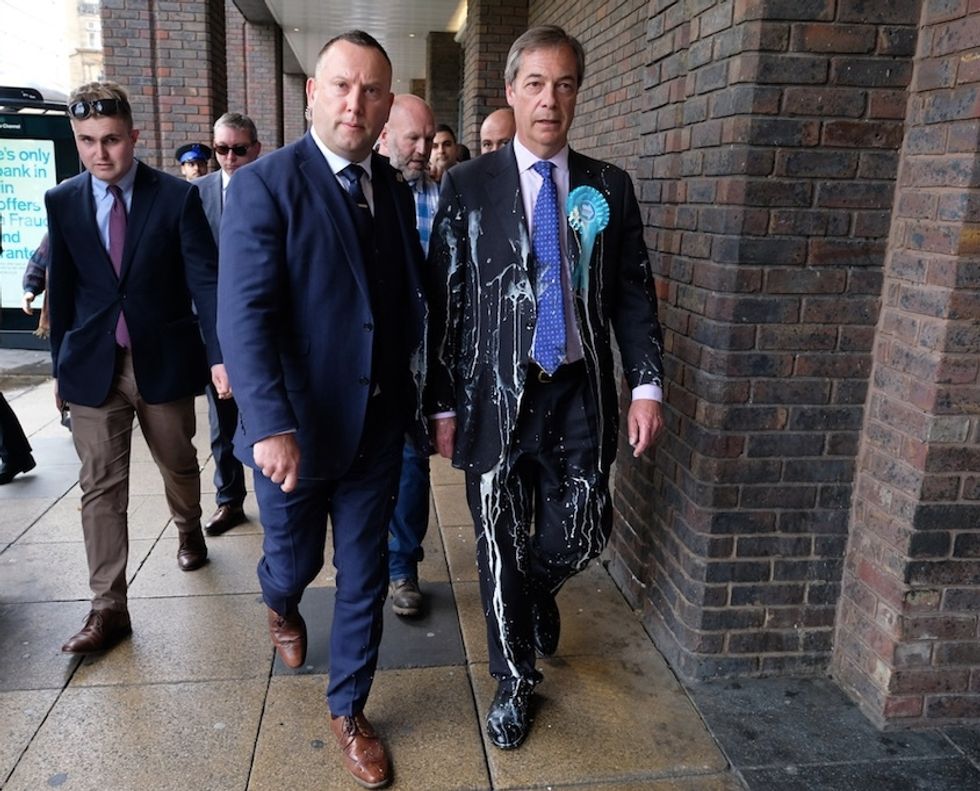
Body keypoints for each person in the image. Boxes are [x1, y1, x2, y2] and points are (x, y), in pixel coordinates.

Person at [426, 25, 665, 750]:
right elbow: (445, 301)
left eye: (564, 85)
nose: (549, 100)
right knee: (497, 539)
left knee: (586, 528)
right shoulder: (468, 185)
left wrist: (646, 383)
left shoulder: (608, 186)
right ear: (511, 91)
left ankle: (530, 590)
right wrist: (440, 399)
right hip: (493, 396)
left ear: (578, 93)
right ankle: (513, 681)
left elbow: (632, 293)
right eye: (535, 84)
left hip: (577, 391)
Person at [217, 31, 426, 789]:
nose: (355, 103)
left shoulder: (391, 189)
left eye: (371, 91)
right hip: (296, 436)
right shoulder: (265, 185)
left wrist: (422, 398)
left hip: (376, 429)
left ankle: (350, 710)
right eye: (341, 85)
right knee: (295, 564)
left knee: (363, 576)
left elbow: (403, 302)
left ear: (387, 103)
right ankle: (280, 604)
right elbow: (244, 315)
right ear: (313, 93)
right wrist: (270, 424)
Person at [45, 81, 223, 655]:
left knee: (178, 461)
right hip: (92, 364)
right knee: (99, 483)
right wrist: (59, 368)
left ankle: (188, 525)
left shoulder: (175, 197)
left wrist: (220, 356)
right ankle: (108, 607)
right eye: (87, 141)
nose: (100, 153)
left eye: (112, 140)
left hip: (161, 361)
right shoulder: (63, 200)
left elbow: (205, 282)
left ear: (134, 136)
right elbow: (62, 288)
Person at [377, 93, 438, 617]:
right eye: (412, 137)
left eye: (428, 138)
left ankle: (402, 568)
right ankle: (362, 562)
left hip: (419, 360)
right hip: (366, 356)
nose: (422, 148)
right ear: (385, 136)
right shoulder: (365, 192)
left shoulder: (445, 197)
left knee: (412, 465)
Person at [194, 112, 262, 536]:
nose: (230, 158)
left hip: (264, 323)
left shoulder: (273, 186)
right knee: (221, 419)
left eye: (239, 149)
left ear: (255, 149)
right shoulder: (197, 193)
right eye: (221, 149)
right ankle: (229, 499)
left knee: (267, 413)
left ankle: (282, 496)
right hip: (214, 325)